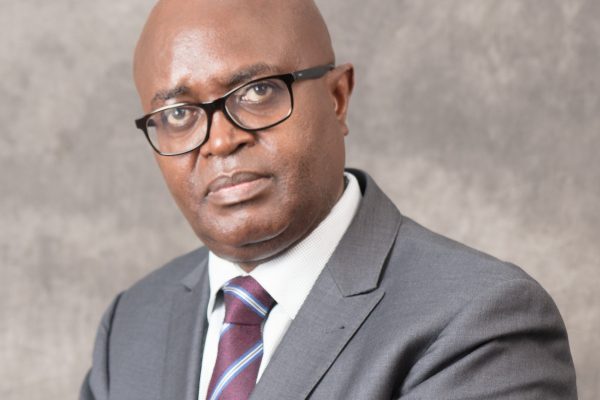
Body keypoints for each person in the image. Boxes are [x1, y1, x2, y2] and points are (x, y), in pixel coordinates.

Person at [80, 0, 577, 399]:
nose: (220, 140)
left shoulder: (480, 320)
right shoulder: (131, 324)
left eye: (257, 91)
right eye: (178, 114)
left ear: (338, 98)